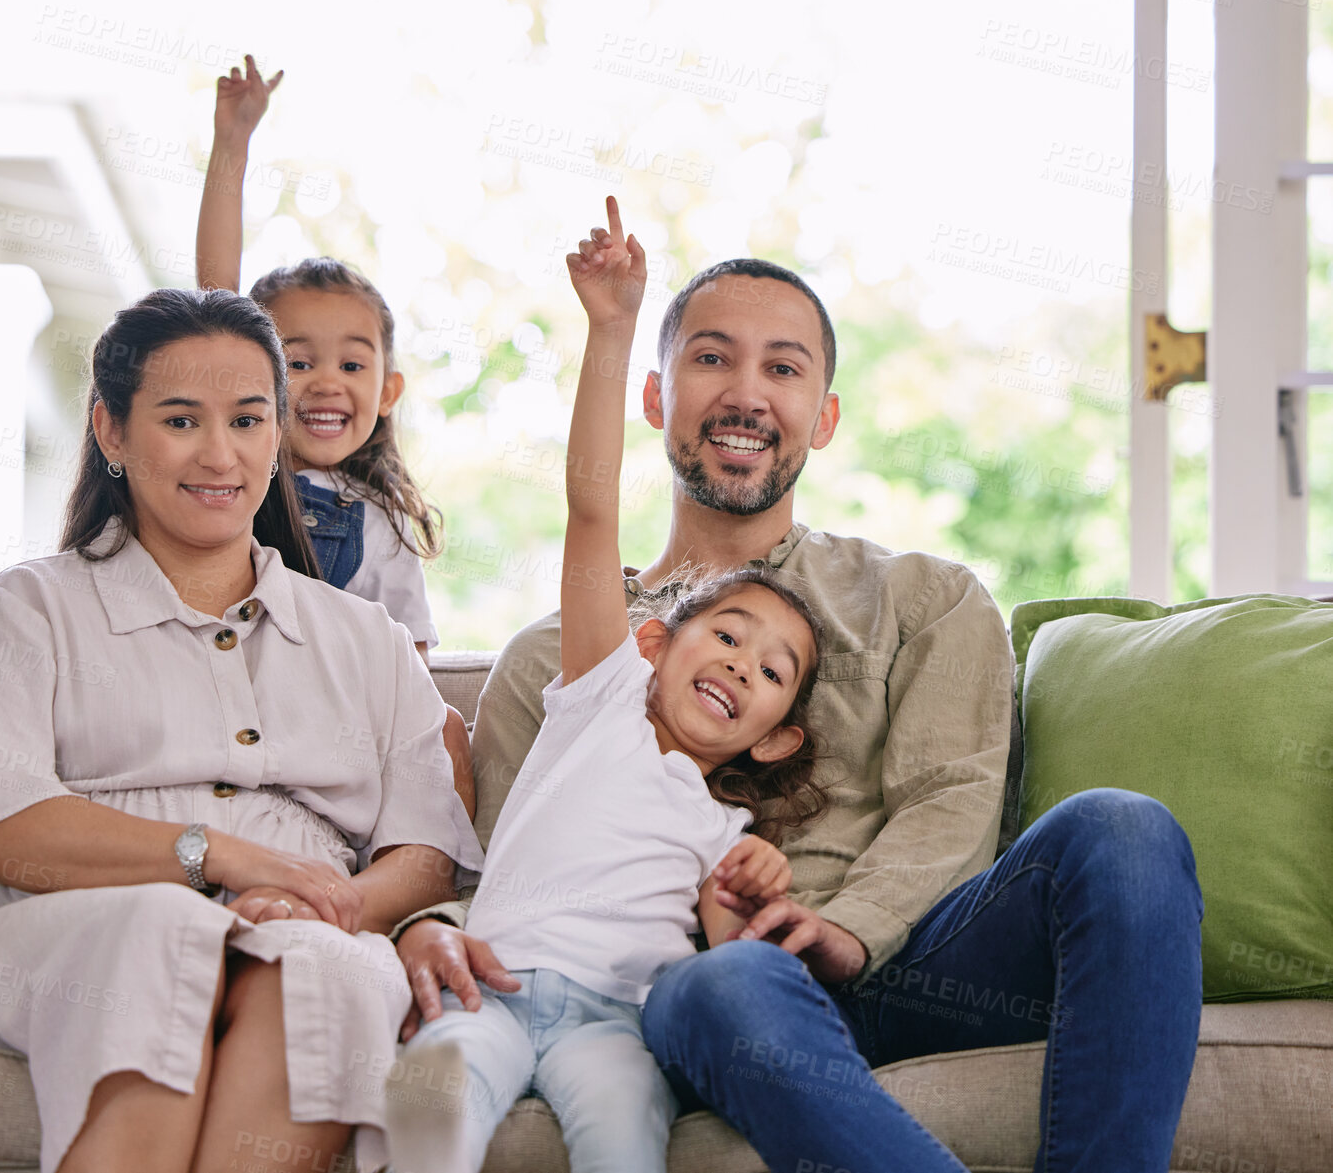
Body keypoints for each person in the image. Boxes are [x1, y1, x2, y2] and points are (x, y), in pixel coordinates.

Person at [392, 251, 1204, 1169]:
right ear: (655, 397)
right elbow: (510, 866)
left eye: (782, 368)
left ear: (823, 418)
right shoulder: (565, 659)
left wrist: (848, 928)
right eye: (711, 359)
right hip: (707, 998)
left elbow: (954, 801)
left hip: (914, 970)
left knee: (1123, 830)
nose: (746, 394)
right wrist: (423, 927)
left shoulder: (924, 597)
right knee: (730, 978)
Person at [0, 287, 484, 1173]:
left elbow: (424, 850)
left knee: (334, 969)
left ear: (277, 432)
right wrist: (224, 859)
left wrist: (329, 902)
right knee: (165, 929)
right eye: (180, 419)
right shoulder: (21, 610)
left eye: (247, 419)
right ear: (112, 433)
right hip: (59, 928)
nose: (220, 453)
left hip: (301, 921)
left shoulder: (368, 641)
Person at [385, 199, 827, 1173]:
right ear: (655, 642)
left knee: (629, 1134)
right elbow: (591, 510)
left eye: (769, 675)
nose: (738, 668)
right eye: (725, 636)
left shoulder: (727, 833)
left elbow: (721, 962)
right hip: (491, 989)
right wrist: (613, 326)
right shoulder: (596, 702)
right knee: (432, 1095)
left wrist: (754, 896)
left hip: (615, 1024)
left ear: (774, 737)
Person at [197, 55, 473, 817]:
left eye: (352, 363)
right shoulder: (232, 472)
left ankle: (445, 883)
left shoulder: (381, 519)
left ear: (386, 393)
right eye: (297, 361)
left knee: (445, 725)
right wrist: (233, 145)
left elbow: (409, 667)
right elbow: (215, 300)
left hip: (338, 719)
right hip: (226, 694)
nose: (325, 381)